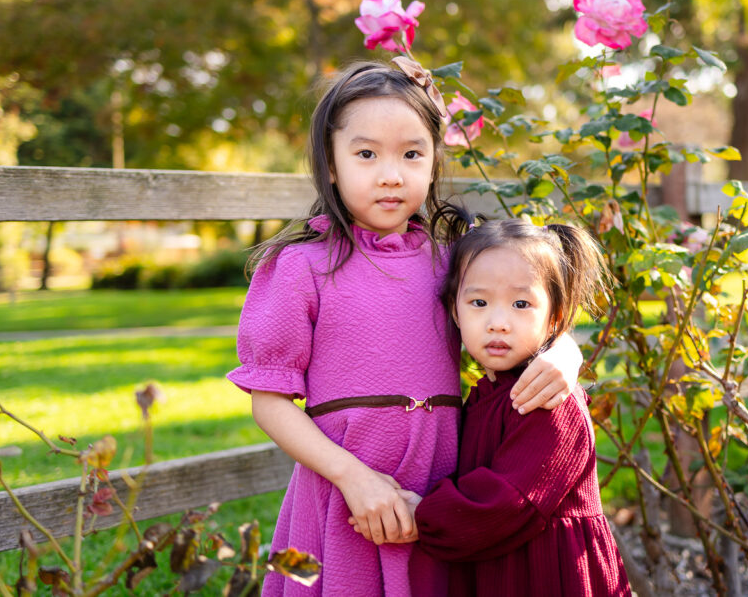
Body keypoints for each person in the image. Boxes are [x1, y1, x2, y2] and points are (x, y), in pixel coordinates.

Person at [226, 58, 582, 597]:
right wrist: (353, 478)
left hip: (438, 489)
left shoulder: (453, 260)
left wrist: (564, 353)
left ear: (434, 159)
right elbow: (268, 401)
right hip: (343, 495)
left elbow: (526, 307)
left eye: (412, 154)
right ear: (330, 162)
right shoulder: (301, 267)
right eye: (366, 154)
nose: (391, 174)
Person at [375, 211, 632, 596]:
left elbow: (508, 503)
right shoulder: (483, 396)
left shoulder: (548, 400)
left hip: (550, 575)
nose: (498, 322)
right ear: (454, 311)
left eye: (521, 305)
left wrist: (420, 516)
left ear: (555, 318)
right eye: (478, 302)